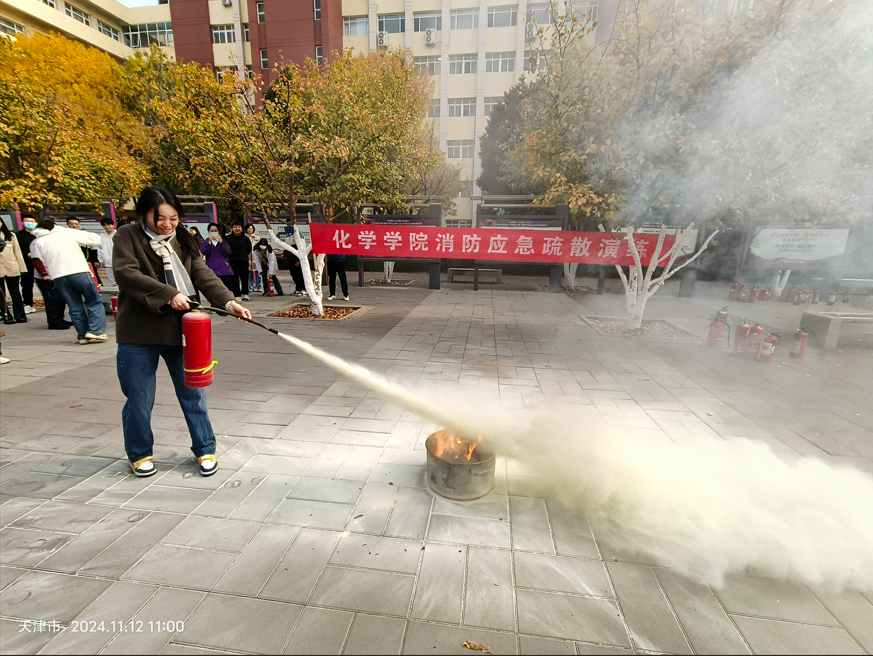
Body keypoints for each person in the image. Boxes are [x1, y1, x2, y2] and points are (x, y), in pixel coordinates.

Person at [113, 186, 251, 477]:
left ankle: (205, 449)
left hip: (182, 332)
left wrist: (229, 302)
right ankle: (139, 453)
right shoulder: (127, 236)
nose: (167, 225)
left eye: (173, 218)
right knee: (139, 398)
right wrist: (168, 294)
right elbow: (126, 273)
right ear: (144, 214)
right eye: (160, 218)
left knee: (193, 394)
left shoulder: (183, 239)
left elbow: (201, 273)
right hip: (138, 333)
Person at [31, 218, 107, 344]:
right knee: (93, 300)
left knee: (74, 305)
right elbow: (96, 239)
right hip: (79, 271)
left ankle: (82, 335)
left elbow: (41, 259)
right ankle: (95, 331)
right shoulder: (66, 232)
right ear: (54, 226)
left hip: (58, 276)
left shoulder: (38, 241)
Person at [29, 236, 71, 331]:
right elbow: (36, 259)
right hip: (46, 277)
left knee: (61, 299)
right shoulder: (37, 242)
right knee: (52, 299)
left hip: (57, 274)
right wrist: (44, 273)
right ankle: (54, 322)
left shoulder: (54, 240)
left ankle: (60, 318)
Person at [1, 222, 28, 324]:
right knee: (1, 294)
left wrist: (22, 268)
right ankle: (6, 315)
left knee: (15, 292)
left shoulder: (11, 235)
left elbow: (17, 252)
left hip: (12, 267)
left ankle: (20, 315)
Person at [200, 223, 236, 294]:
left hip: (225, 270)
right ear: (209, 232)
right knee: (214, 290)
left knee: (227, 289)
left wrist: (221, 243)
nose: (214, 232)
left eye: (215, 231)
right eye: (212, 231)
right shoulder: (206, 241)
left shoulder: (224, 241)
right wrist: (209, 243)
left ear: (218, 231)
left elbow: (228, 252)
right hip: (212, 269)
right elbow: (204, 251)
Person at [224, 220, 252, 301]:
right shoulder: (228, 238)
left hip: (243, 260)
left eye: (239, 227)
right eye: (235, 227)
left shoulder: (246, 238)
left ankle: (245, 293)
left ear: (242, 229)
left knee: (244, 277)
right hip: (232, 261)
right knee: (234, 278)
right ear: (232, 229)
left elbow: (249, 249)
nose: (237, 229)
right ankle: (237, 294)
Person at [66, 217, 101, 281]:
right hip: (72, 261)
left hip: (87, 260)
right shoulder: (65, 236)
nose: (74, 225)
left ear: (79, 224)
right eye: (71, 224)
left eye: (76, 224)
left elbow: (93, 248)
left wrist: (95, 260)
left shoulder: (84, 234)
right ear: (67, 224)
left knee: (93, 277)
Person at [17, 214, 38, 315]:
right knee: (27, 285)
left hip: (40, 262)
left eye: (32, 221)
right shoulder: (18, 235)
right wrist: (27, 254)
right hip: (27, 263)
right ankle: (28, 304)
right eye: (27, 221)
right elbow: (17, 250)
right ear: (22, 222)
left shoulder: (39, 234)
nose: (29, 223)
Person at [98, 218, 117, 286]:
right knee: (112, 282)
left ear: (112, 225)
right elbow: (99, 249)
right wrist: (100, 260)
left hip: (119, 261)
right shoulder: (101, 236)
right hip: (108, 261)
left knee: (121, 279)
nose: (107, 227)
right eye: (104, 225)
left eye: (108, 225)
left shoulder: (119, 234)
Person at [245, 223, 261, 292]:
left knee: (258, 273)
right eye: (248, 228)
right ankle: (250, 286)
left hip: (256, 257)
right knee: (249, 273)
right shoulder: (245, 237)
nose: (250, 230)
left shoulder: (257, 237)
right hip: (248, 257)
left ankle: (259, 286)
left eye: (251, 228)